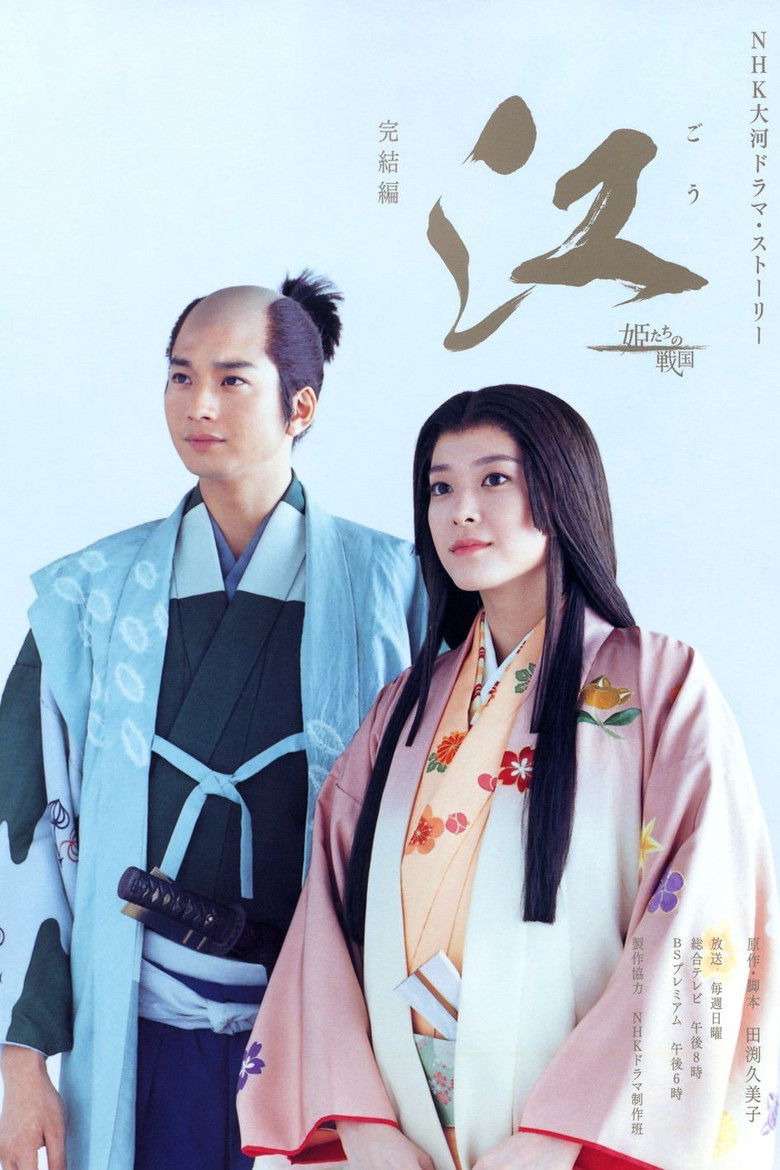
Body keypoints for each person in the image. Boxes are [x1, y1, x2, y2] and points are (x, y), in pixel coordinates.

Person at [237, 384, 778, 1170]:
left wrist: (562, 1136)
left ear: (563, 492)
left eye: (494, 479)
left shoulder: (658, 685)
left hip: (571, 1140)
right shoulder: (404, 708)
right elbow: (326, 921)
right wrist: (360, 1122)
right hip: (404, 1131)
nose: (461, 510)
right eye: (440, 488)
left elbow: (701, 915)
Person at [0, 273, 426, 1170]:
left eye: (232, 379)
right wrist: (21, 1059)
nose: (198, 403)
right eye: (180, 375)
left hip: (334, 1044)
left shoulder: (398, 590)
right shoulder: (87, 598)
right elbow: (22, 827)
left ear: (300, 405)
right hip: (140, 1034)